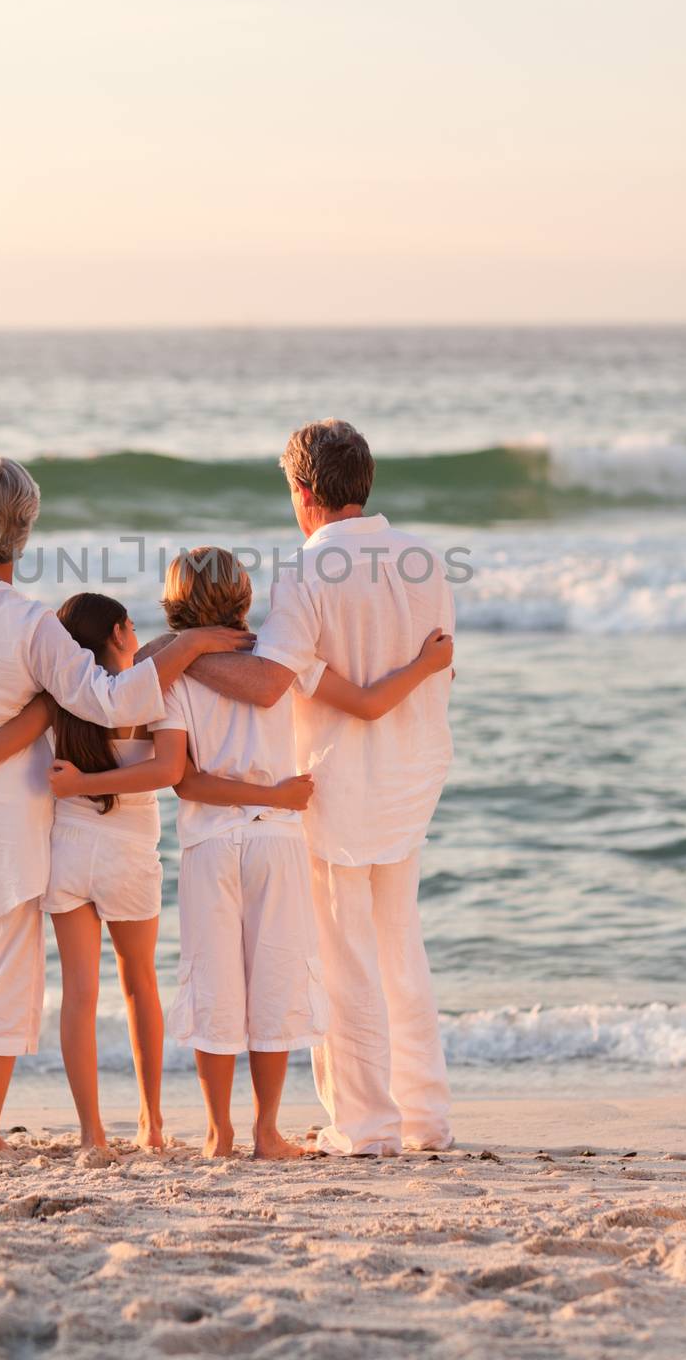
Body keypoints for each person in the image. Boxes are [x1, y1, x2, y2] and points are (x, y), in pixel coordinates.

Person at [0, 455, 249, 1156]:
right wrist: (188, 644)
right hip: (3, 822)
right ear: (25, 529)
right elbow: (107, 699)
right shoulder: (30, 624)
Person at [181, 421, 456, 1157]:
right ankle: (424, 1117)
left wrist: (176, 657)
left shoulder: (307, 569)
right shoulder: (426, 559)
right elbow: (435, 671)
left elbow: (269, 682)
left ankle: (365, 1124)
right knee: (399, 947)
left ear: (304, 493)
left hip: (338, 780)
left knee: (343, 954)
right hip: (412, 771)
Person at [0, 592, 181, 1156]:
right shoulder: (155, 694)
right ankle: (151, 1123)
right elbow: (168, 770)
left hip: (69, 853)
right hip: (128, 854)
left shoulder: (55, 698)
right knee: (140, 984)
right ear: (124, 632)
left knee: (80, 993)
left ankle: (91, 1133)